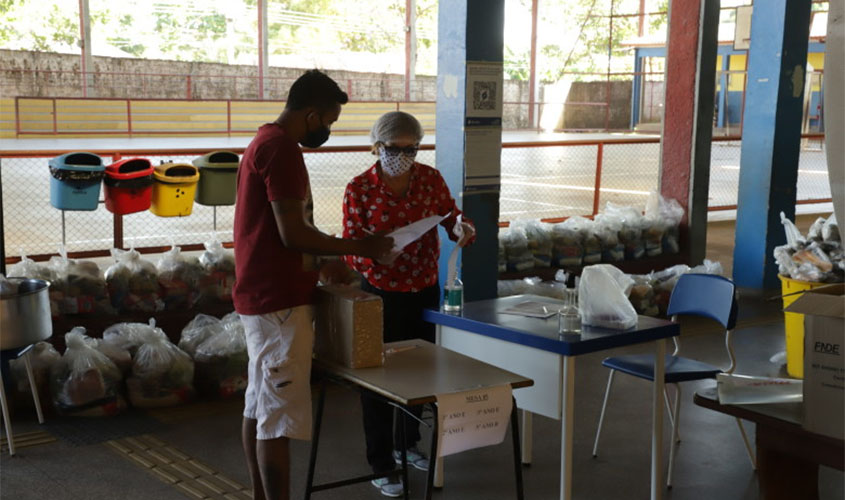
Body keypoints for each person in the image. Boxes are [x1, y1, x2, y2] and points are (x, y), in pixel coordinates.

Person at [234, 69, 394, 500]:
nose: (328, 129)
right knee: (277, 417)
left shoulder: (264, 142)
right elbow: (292, 235)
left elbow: (293, 226)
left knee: (260, 405)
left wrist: (327, 260)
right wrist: (363, 245)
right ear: (310, 114)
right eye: (328, 121)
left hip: (265, 295)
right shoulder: (282, 150)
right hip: (279, 302)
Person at [341, 111, 476, 497]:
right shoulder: (359, 189)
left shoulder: (429, 180)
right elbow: (350, 245)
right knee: (379, 378)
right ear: (376, 146)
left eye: (410, 148)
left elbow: (451, 214)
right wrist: (371, 256)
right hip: (379, 292)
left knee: (420, 371)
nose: (402, 155)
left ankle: (408, 442)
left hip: (424, 289)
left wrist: (462, 228)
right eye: (393, 148)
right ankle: (381, 461)